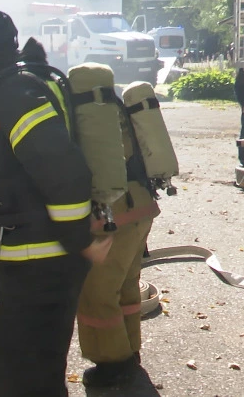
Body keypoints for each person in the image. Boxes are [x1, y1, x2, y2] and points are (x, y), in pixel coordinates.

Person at [0, 9, 113, 397]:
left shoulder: (15, 91)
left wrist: (78, 240)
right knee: (24, 377)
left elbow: (63, 172)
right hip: (29, 258)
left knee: (24, 382)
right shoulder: (0, 91)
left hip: (43, 261)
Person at [76, 120, 160, 387]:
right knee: (126, 285)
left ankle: (113, 365)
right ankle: (130, 351)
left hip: (111, 218)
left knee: (96, 293)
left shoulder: (79, 116)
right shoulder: (115, 110)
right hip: (142, 207)